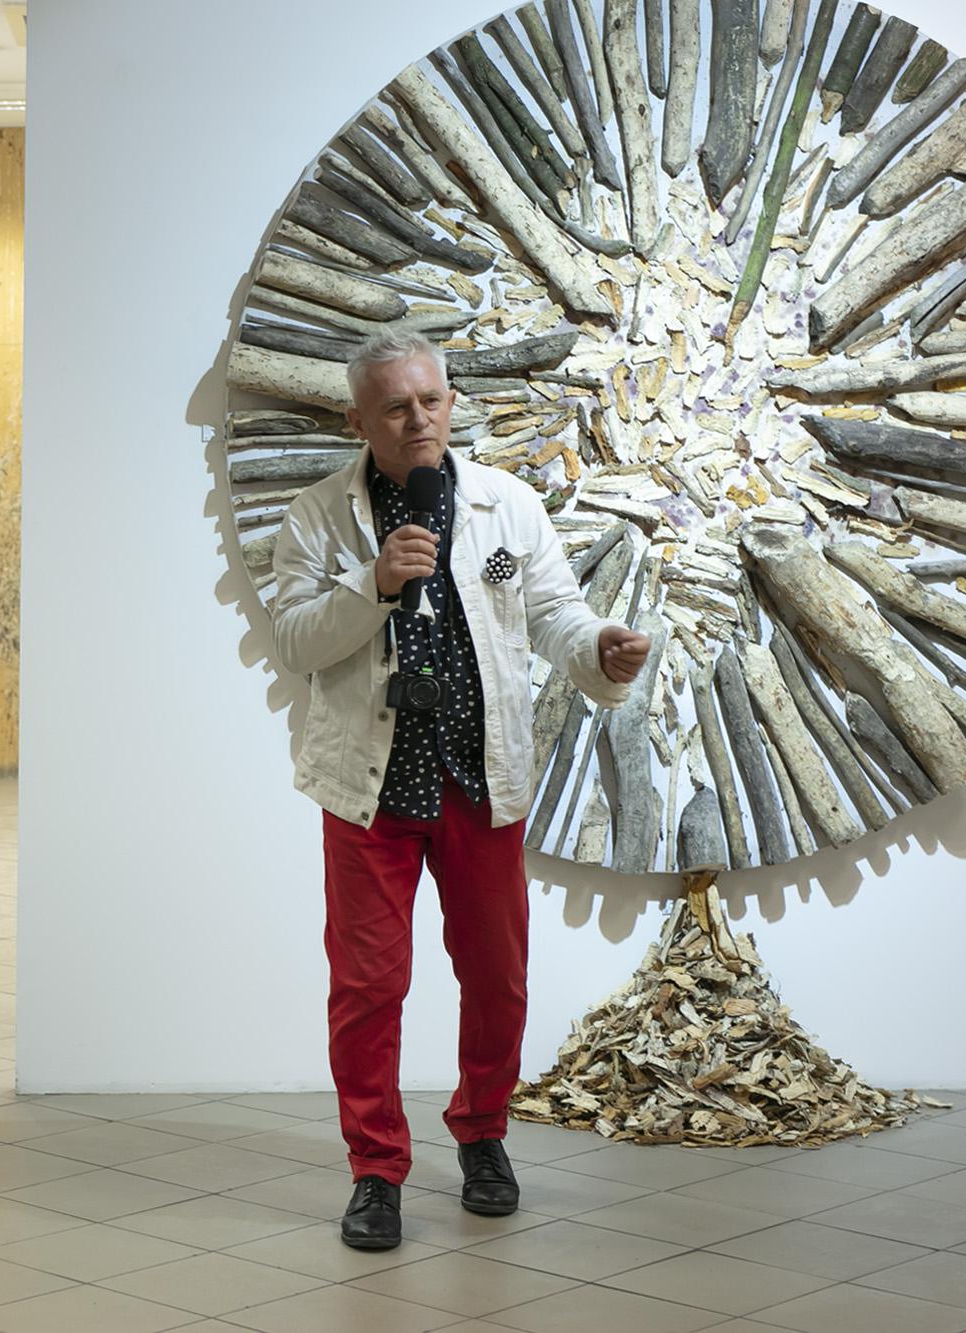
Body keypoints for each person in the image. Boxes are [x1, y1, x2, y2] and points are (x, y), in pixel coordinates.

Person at [270, 331, 650, 1251]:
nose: (419, 420)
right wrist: (374, 581)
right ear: (358, 421)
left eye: (431, 400)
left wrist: (597, 647)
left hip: (478, 779)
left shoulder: (505, 504)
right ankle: (375, 1169)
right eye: (396, 407)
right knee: (369, 986)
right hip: (370, 791)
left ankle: (482, 1134)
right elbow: (293, 640)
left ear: (451, 402)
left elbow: (555, 613)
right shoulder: (319, 517)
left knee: (496, 976)